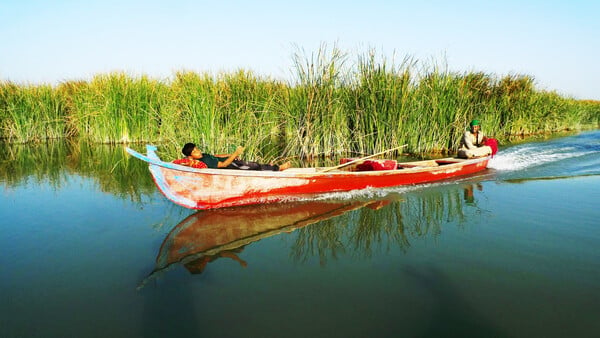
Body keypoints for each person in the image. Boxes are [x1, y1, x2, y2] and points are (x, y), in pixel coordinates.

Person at [173, 142, 291, 171]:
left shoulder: (204, 156)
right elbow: (223, 164)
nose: (198, 151)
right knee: (253, 167)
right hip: (230, 166)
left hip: (232, 161)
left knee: (252, 163)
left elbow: (216, 156)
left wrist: (230, 155)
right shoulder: (205, 163)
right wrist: (235, 154)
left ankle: (269, 166)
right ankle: (278, 168)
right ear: (191, 156)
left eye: (196, 148)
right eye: (194, 152)